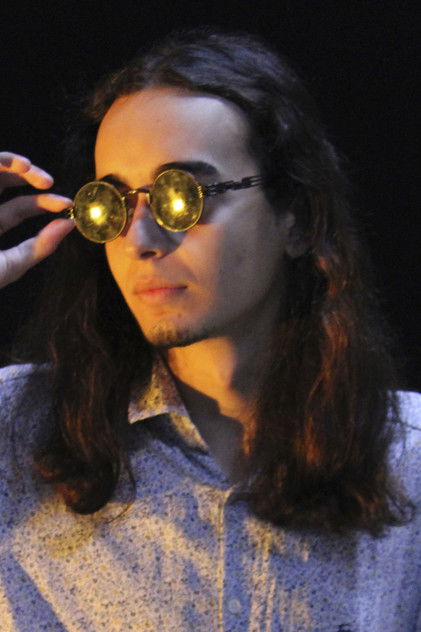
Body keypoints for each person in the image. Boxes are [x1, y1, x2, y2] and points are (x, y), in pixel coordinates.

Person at [0, 28, 420, 632]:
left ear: (297, 218)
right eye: (111, 205)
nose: (139, 240)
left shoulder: (406, 457)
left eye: (181, 196)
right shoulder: (20, 432)